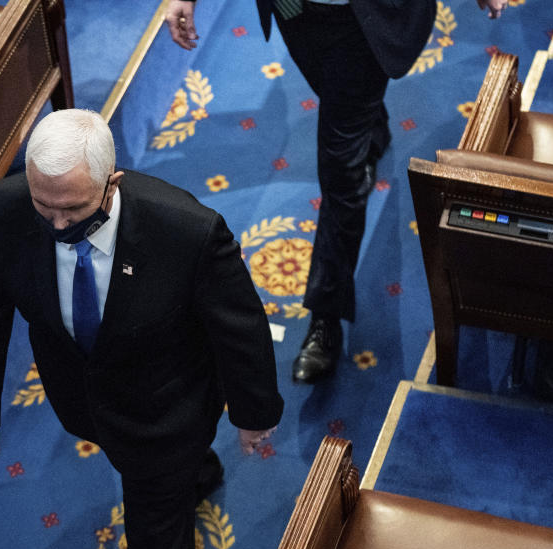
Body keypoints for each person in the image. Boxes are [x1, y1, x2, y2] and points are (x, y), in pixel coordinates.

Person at [0, 109, 283, 549]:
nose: (57, 227)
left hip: (168, 410)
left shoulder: (188, 231)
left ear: (112, 185)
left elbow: (239, 328)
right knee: (166, 475)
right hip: (82, 402)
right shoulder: (1, 212)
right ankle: (199, 473)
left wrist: (253, 413)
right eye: (45, 207)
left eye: (73, 210)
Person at [165, 0, 508, 384]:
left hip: (360, 22)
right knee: (339, 98)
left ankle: (326, 316)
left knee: (341, 174)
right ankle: (368, 125)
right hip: (292, 9)